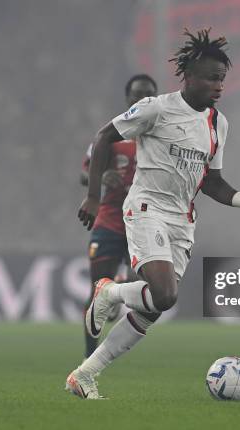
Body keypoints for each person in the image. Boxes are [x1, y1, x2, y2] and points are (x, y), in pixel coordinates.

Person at [66, 29, 240, 399]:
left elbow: (211, 183)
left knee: (151, 309)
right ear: (190, 77)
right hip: (147, 208)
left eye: (222, 79)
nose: (218, 86)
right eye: (212, 78)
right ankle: (110, 292)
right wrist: (93, 197)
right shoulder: (157, 109)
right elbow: (104, 137)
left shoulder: (217, 124)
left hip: (182, 220)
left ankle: (85, 374)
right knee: (164, 295)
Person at [80, 74, 158, 358]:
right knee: (95, 297)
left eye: (147, 94)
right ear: (127, 99)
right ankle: (88, 360)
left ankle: (120, 289)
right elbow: (84, 171)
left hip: (144, 223)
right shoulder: (112, 134)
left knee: (150, 289)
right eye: (136, 94)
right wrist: (102, 176)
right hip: (110, 223)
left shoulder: (159, 135)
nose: (141, 99)